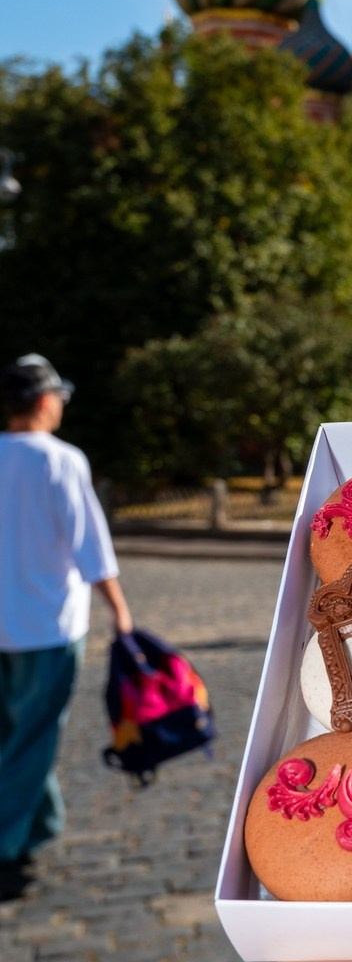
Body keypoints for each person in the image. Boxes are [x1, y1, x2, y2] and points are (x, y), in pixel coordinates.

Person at [0, 354, 133, 900]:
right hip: (47, 627)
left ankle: (37, 826)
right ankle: (8, 846)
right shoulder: (60, 461)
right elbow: (90, 547)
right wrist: (120, 610)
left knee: (17, 733)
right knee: (33, 736)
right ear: (44, 401)